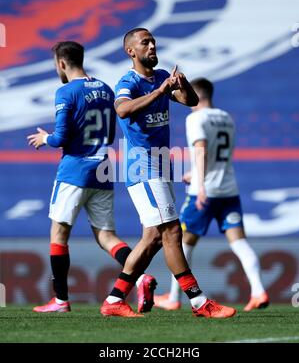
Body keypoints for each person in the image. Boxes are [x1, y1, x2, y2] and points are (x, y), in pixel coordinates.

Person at [100, 28, 236, 318]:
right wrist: (160, 91)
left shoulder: (161, 75)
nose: (151, 46)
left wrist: (182, 85)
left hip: (160, 165)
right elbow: (122, 110)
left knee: (153, 237)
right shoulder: (128, 81)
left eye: (153, 42)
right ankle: (200, 302)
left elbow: (190, 101)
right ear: (131, 52)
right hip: (142, 165)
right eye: (145, 43)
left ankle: (114, 300)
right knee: (172, 231)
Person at [27, 41, 156, 313]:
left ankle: (60, 300)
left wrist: (44, 138)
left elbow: (61, 138)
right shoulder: (106, 89)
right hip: (103, 169)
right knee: (107, 236)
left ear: (61, 64)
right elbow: (110, 135)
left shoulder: (66, 92)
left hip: (75, 170)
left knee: (59, 234)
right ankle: (141, 277)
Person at [154, 78, 269, 312]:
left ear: (195, 94)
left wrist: (201, 183)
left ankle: (174, 297)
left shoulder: (195, 118)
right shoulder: (226, 117)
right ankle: (258, 291)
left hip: (204, 192)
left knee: (181, 242)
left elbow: (202, 148)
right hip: (228, 189)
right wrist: (194, 173)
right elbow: (218, 155)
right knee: (239, 242)